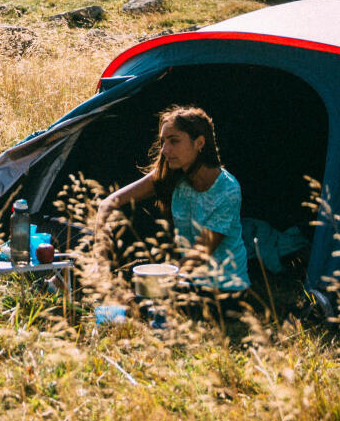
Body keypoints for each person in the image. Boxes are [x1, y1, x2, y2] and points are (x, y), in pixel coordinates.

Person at [94, 106, 250, 296]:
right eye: (163, 142)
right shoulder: (172, 174)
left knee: (136, 299)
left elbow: (198, 256)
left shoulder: (227, 190)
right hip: (185, 279)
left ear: (199, 143)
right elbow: (108, 204)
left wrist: (158, 281)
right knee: (125, 285)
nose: (165, 150)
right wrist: (100, 260)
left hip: (225, 289)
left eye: (174, 141)